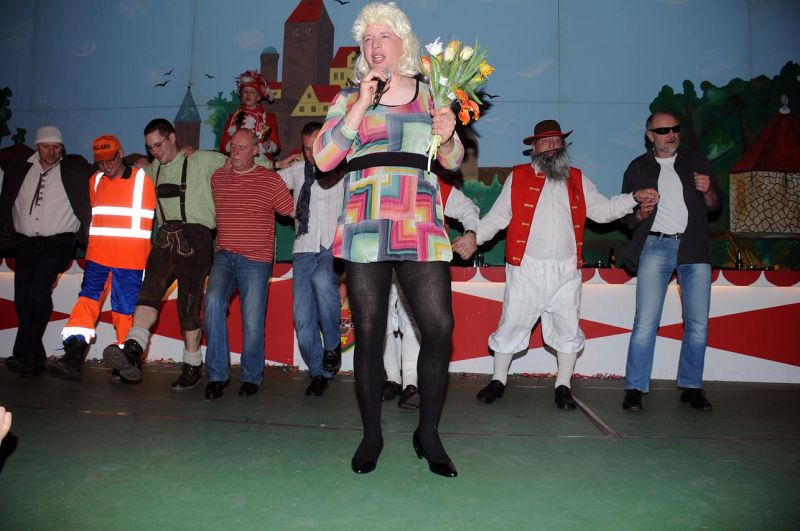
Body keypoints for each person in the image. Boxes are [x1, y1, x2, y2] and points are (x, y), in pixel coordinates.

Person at [313, 1, 463, 477]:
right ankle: (371, 435)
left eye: (384, 37)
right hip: (366, 222)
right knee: (371, 333)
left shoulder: (431, 92)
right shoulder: (349, 97)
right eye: (367, 39)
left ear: (403, 43)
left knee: (438, 327)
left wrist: (449, 134)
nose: (375, 46)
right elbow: (323, 159)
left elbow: (452, 161)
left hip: (419, 219)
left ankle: (428, 432)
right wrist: (361, 102)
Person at [474, 119, 659, 410]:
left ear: (563, 146)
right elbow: (498, 217)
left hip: (566, 270)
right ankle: (498, 380)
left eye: (556, 140)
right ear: (534, 148)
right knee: (512, 323)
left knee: (567, 328)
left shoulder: (577, 179)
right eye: (545, 141)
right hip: (526, 269)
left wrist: (633, 198)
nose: (552, 145)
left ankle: (563, 385)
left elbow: (603, 211)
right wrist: (474, 238)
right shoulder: (518, 176)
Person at [102, 118, 225, 389]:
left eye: (158, 145)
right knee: (148, 293)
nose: (155, 151)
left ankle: (192, 365)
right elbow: (119, 170)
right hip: (165, 237)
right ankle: (133, 350)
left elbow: (243, 162)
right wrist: (136, 160)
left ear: (173, 138)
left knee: (188, 305)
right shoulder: (150, 170)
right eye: (150, 148)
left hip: (197, 237)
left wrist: (277, 163)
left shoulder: (202, 160)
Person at [621, 112, 721, 412]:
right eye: (663, 130)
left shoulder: (696, 160)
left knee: (698, 323)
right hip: (656, 246)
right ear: (650, 135)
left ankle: (692, 386)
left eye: (675, 129)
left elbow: (714, 205)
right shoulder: (638, 167)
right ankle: (635, 388)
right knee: (646, 322)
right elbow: (628, 216)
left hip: (694, 247)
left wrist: (708, 190)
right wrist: (640, 213)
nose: (671, 134)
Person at [48, 135, 155, 381]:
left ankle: (127, 362)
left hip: (131, 259)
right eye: (100, 162)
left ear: (121, 153)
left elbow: (166, 164)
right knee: (86, 303)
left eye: (110, 159)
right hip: (98, 256)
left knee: (125, 311)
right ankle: (73, 355)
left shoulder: (144, 177)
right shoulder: (95, 180)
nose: (106, 166)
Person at [203, 129, 294, 400]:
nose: (235, 153)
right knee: (212, 303)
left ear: (256, 150)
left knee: (252, 321)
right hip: (224, 256)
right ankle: (217, 375)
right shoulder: (218, 177)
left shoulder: (270, 180)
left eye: (242, 148)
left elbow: (292, 211)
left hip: (256, 259)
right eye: (232, 147)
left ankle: (251, 376)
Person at [0, 126, 92, 377]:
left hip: (59, 242)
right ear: (36, 146)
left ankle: (23, 353)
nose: (51, 151)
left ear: (63, 147)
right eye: (46, 146)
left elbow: (108, 168)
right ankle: (36, 360)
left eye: (56, 146)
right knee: (22, 300)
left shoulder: (74, 167)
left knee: (39, 290)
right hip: (25, 242)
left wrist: (135, 161)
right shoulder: (18, 167)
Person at [382, 182, 479, 409]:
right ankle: (393, 378)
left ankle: (410, 383)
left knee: (414, 321)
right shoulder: (380, 176)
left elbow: (468, 208)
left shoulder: (433, 181)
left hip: (422, 260)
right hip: (381, 258)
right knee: (380, 320)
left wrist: (470, 233)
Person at [278, 122, 345, 397]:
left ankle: (332, 345)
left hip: (333, 245)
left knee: (322, 279)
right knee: (303, 321)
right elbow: (266, 183)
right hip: (304, 248)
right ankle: (319, 373)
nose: (312, 154)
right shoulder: (296, 171)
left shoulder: (345, 170)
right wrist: (277, 164)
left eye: (316, 147)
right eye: (306, 149)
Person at [219, 70, 280, 166]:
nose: (248, 95)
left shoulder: (268, 118)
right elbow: (223, 147)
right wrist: (236, 146)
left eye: (252, 92)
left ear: (259, 97)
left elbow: (276, 148)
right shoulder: (234, 117)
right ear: (241, 95)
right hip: (238, 158)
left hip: (261, 160)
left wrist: (268, 145)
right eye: (245, 91)